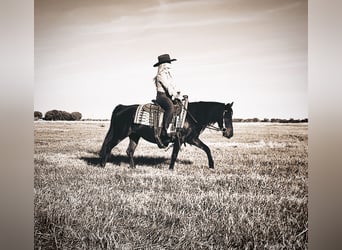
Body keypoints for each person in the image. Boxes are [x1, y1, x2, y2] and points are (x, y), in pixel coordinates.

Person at [153, 54, 181, 148]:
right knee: (170, 107)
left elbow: (173, 86)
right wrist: (174, 95)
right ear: (164, 65)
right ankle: (165, 129)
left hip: (168, 95)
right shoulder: (160, 75)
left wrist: (178, 94)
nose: (170, 65)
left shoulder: (168, 75)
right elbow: (168, 87)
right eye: (168, 63)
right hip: (162, 97)